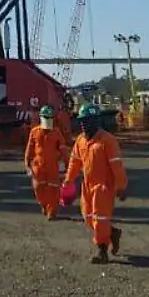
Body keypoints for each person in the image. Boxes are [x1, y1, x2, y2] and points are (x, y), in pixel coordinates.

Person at [63, 104, 128, 264]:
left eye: (89, 121)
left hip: (104, 186)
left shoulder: (108, 140)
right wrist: (68, 180)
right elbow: (74, 162)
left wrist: (121, 186)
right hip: (88, 185)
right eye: (83, 121)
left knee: (100, 217)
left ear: (96, 121)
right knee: (88, 216)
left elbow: (116, 165)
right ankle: (112, 233)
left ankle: (102, 250)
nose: (85, 124)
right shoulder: (80, 141)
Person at [24, 106, 68, 220]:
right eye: (45, 117)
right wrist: (27, 164)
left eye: (49, 117)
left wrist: (68, 164)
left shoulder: (57, 133)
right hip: (38, 166)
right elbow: (29, 148)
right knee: (38, 188)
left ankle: (51, 210)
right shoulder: (34, 132)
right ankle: (44, 204)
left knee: (54, 189)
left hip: (52, 165)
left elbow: (63, 149)